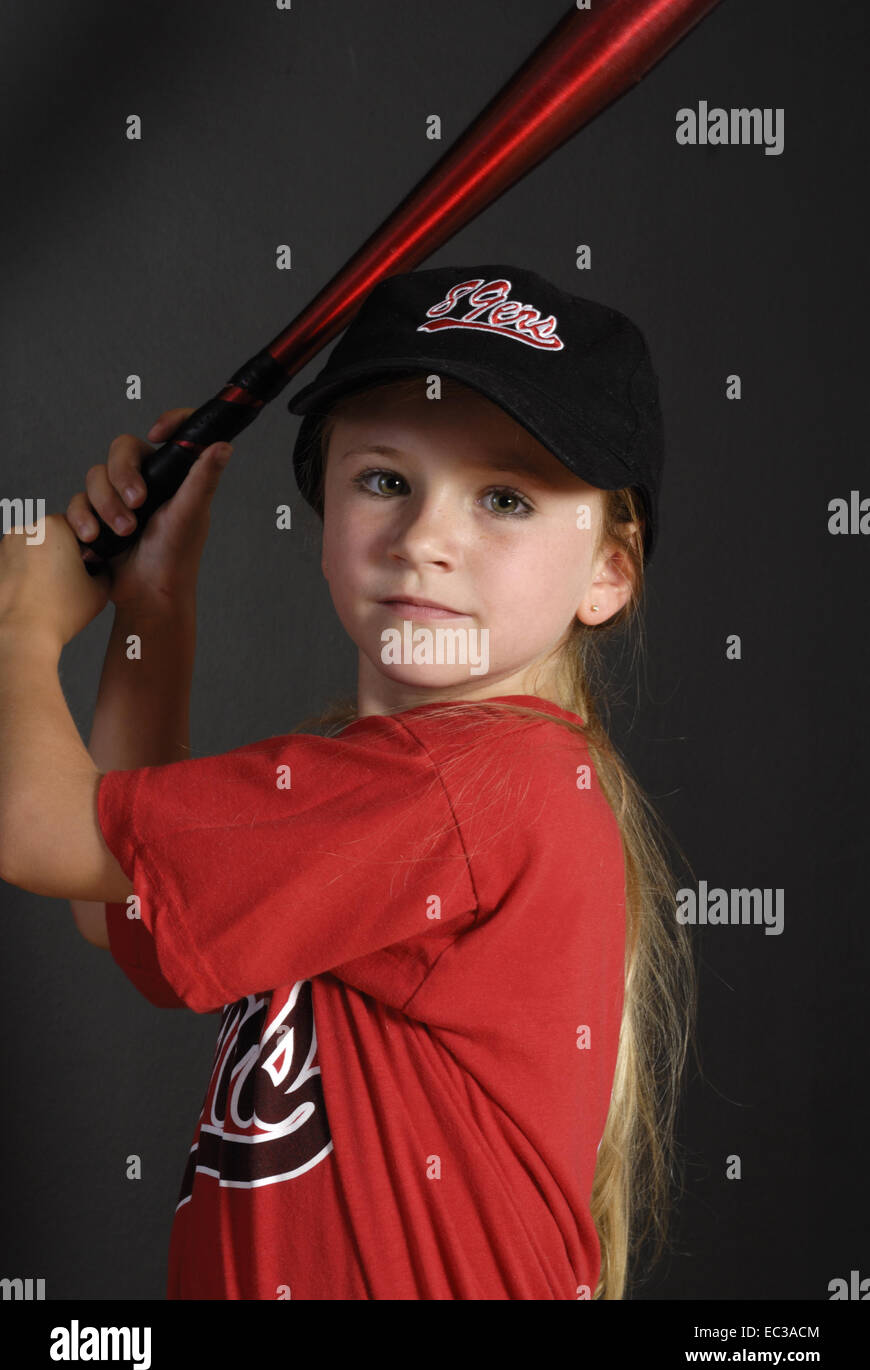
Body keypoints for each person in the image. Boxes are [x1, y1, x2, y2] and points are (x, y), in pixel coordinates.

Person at [0, 263, 696, 1300]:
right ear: (322, 505)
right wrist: (153, 608)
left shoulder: (480, 780)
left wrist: (19, 623)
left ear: (610, 571)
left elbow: (32, 829)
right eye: (385, 480)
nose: (425, 541)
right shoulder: (406, 790)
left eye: (505, 497)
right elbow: (120, 909)